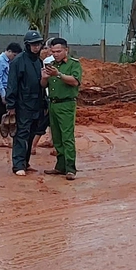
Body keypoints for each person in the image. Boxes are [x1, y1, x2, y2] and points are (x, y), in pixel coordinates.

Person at [6, 30, 47, 176]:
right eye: (33, 44)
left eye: (38, 44)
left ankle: (26, 162)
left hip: (37, 104)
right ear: (27, 45)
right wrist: (11, 105)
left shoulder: (38, 61)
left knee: (31, 134)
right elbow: (12, 84)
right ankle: (18, 165)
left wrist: (44, 103)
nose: (36, 47)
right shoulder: (18, 61)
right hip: (22, 105)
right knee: (21, 135)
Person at [42, 38, 83, 181]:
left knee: (67, 137)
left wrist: (58, 74)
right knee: (57, 137)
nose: (56, 54)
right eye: (53, 52)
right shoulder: (51, 65)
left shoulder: (73, 64)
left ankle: (71, 168)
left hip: (66, 104)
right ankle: (60, 166)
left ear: (66, 50)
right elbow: (44, 85)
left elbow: (75, 81)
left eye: (59, 51)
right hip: (53, 103)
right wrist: (45, 78)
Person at [0, 42, 22, 147]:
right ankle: (0, 140)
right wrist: (3, 94)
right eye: (14, 55)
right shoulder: (0, 61)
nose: (14, 58)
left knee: (8, 114)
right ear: (9, 52)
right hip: (1, 90)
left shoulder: (9, 61)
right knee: (1, 114)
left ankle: (8, 139)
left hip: (7, 90)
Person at [32, 37, 55, 154]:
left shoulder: (46, 61)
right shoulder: (49, 61)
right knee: (46, 122)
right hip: (51, 98)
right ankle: (34, 146)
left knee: (46, 122)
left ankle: (35, 145)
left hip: (48, 96)